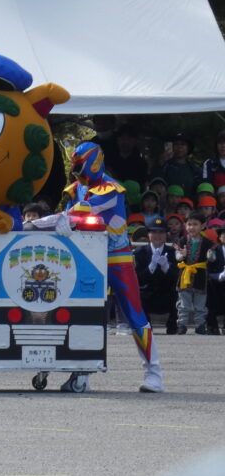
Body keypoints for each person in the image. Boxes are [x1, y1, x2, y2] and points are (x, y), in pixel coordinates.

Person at [56, 141, 163, 392]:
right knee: (83, 315)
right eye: (74, 166)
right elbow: (71, 213)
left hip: (117, 258)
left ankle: (154, 373)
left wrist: (64, 219)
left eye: (80, 165)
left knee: (134, 314)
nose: (77, 171)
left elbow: (86, 210)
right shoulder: (76, 189)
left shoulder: (111, 188)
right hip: (88, 259)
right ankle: (81, 374)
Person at [134, 217, 179, 334]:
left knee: (180, 294)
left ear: (166, 235)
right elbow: (138, 279)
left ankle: (173, 326)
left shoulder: (172, 252)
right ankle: (146, 326)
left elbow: (177, 278)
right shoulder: (140, 252)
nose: (157, 235)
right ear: (148, 234)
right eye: (153, 232)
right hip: (147, 293)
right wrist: (151, 267)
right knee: (137, 295)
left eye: (161, 232)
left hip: (167, 293)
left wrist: (166, 268)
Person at [173, 214, 215, 334]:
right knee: (183, 302)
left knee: (200, 302)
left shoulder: (207, 242)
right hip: (185, 274)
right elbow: (177, 257)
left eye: (195, 224)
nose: (192, 227)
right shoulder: (182, 240)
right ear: (185, 226)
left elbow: (213, 258)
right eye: (189, 224)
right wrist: (181, 255)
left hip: (200, 274)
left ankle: (200, 325)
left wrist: (210, 256)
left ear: (203, 226)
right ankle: (182, 324)